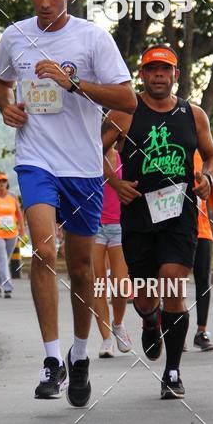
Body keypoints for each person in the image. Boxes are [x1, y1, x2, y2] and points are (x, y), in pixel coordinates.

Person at [0, 0, 136, 406]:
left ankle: (80, 353)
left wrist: (74, 84)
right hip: (36, 160)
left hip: (84, 168)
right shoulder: (15, 36)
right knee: (43, 250)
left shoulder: (93, 38)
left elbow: (127, 98)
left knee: (80, 268)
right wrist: (6, 106)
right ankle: (52, 359)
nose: (45, 3)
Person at [104, 45, 213, 399]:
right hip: (138, 215)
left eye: (165, 69)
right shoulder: (125, 112)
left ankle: (172, 372)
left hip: (179, 214)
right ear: (142, 75)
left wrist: (208, 178)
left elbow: (212, 156)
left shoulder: (193, 114)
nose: (159, 75)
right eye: (152, 69)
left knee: (172, 282)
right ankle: (149, 318)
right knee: (144, 297)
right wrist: (115, 183)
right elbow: (94, 149)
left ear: (175, 75)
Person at [93, 120, 132, 357]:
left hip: (119, 225)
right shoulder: (89, 158)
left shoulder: (124, 159)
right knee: (98, 284)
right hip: (94, 226)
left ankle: (118, 324)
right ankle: (106, 338)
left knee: (120, 283)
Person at [191, 149, 213, 351]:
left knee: (203, 279)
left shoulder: (202, 154)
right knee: (175, 279)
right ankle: (174, 327)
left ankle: (201, 331)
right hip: (175, 229)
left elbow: (211, 187)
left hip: (202, 228)